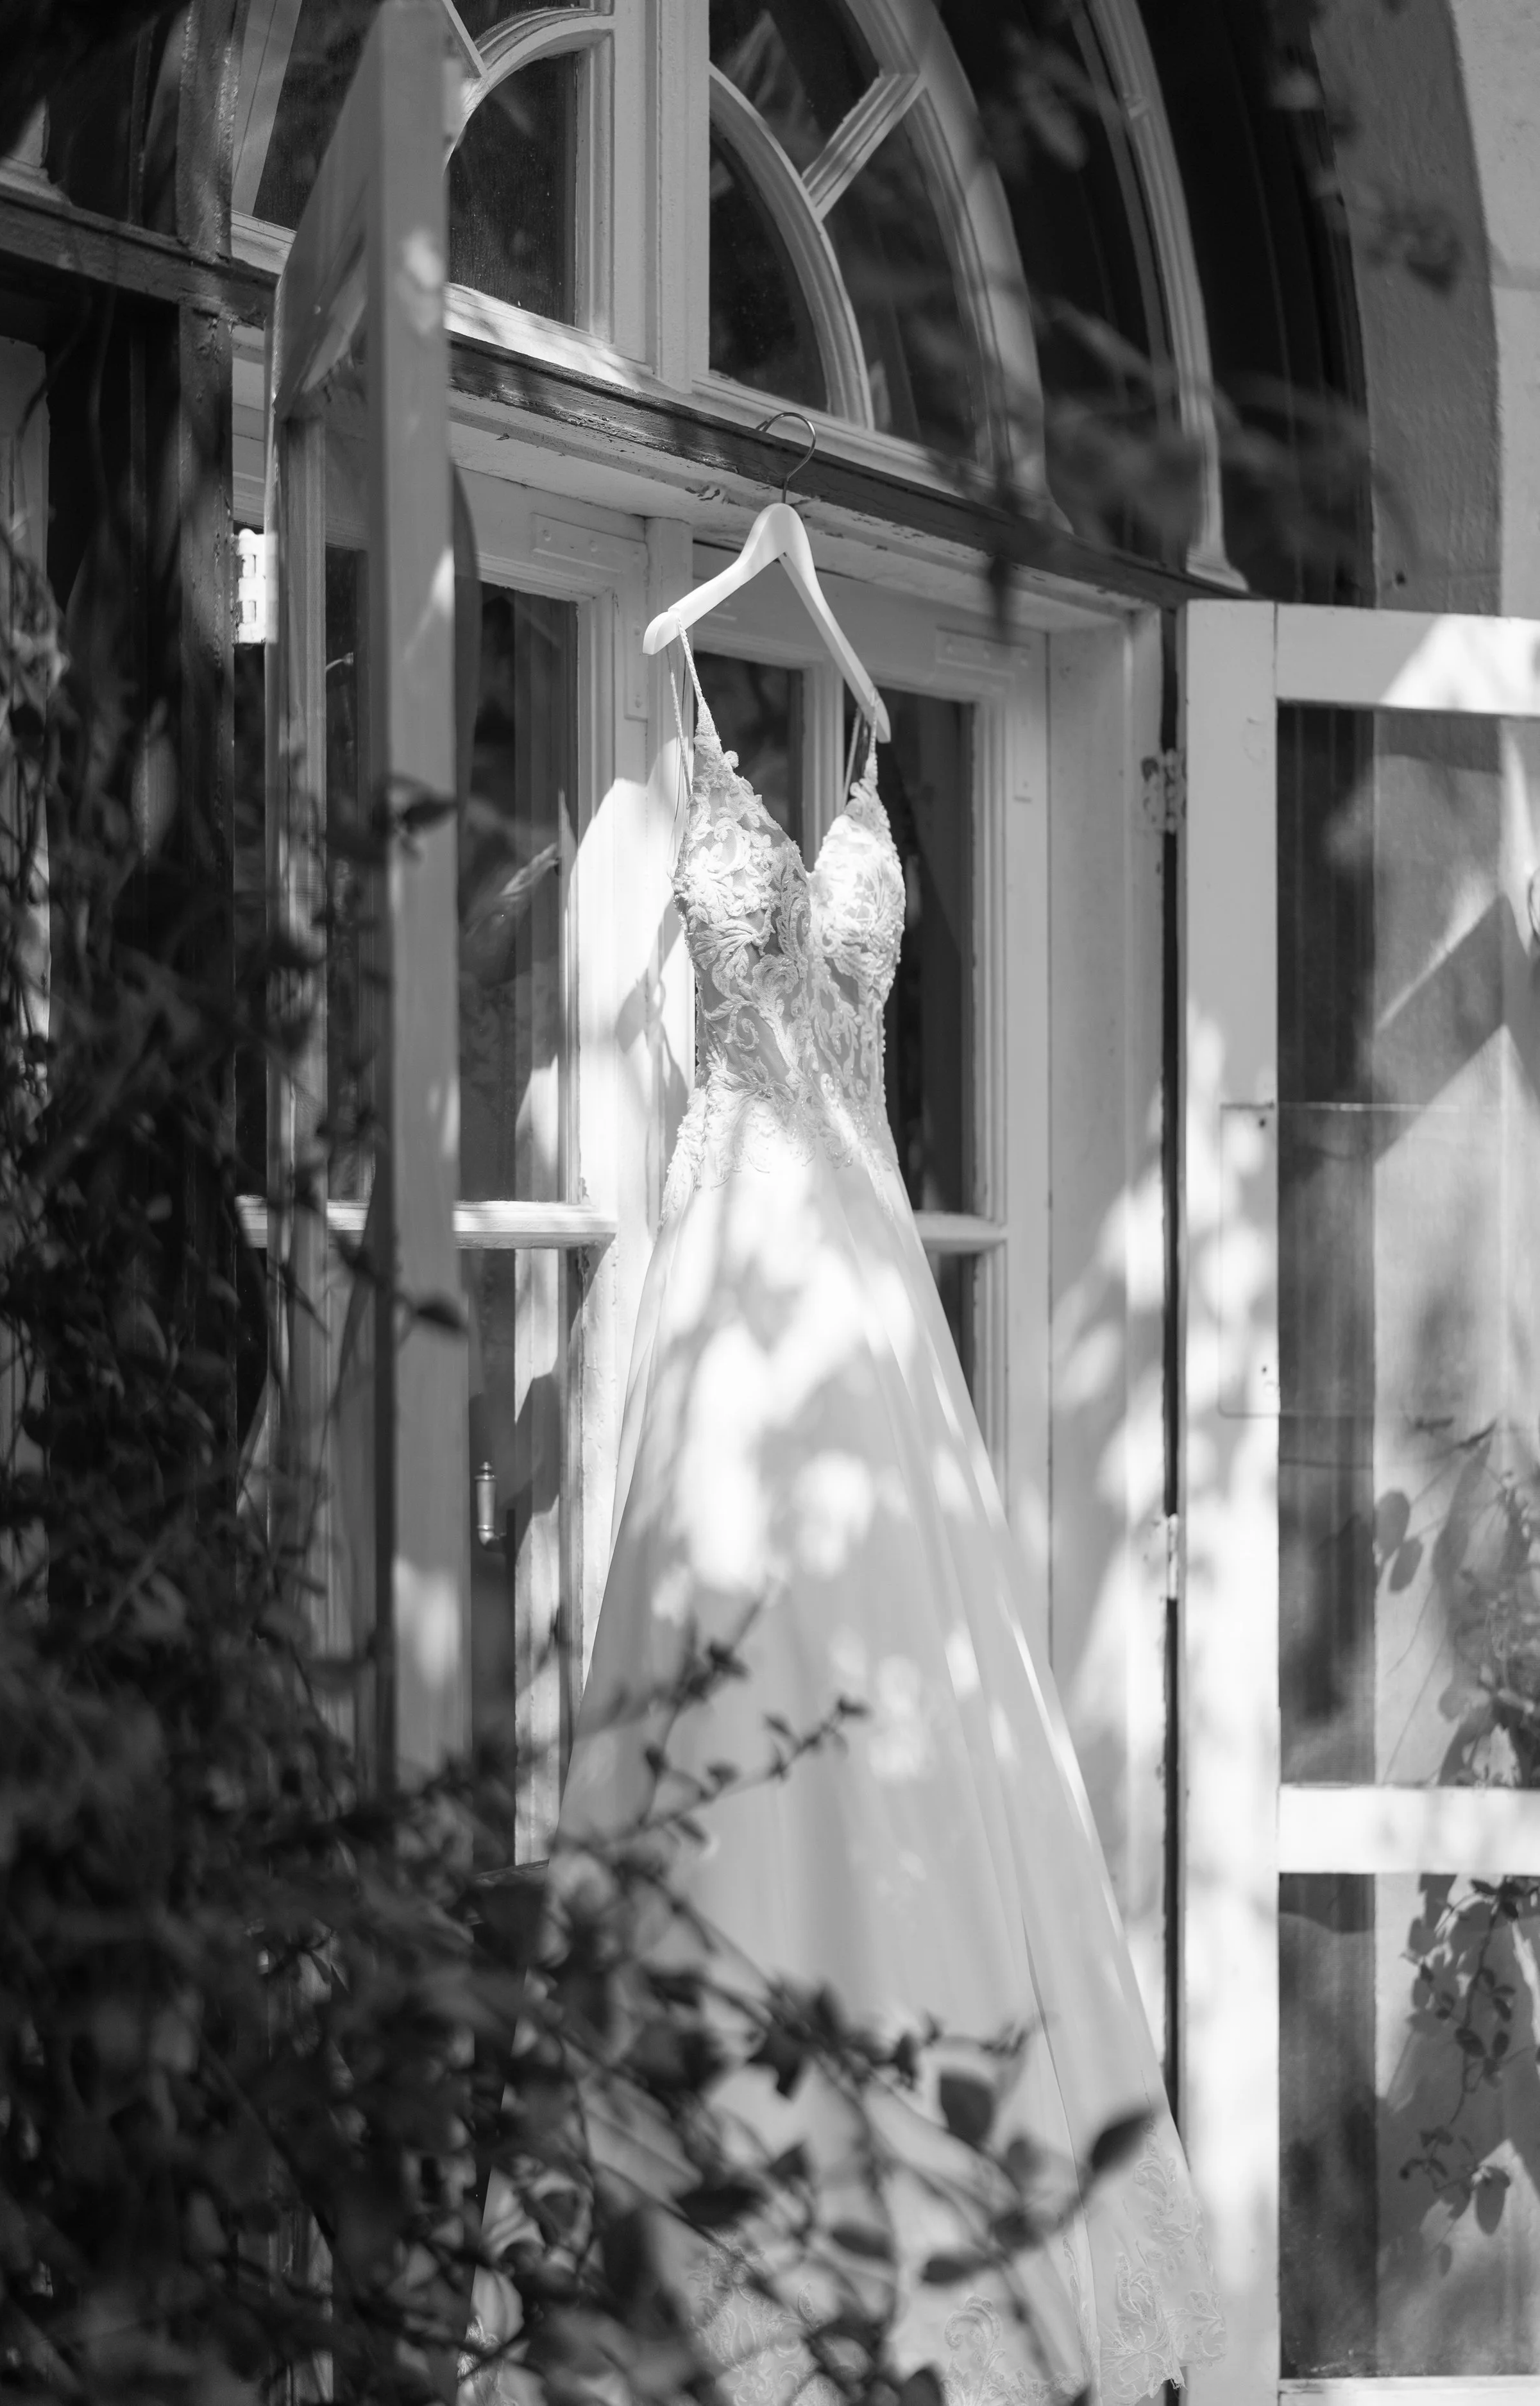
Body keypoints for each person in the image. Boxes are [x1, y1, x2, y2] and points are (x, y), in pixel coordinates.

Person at [477, 645, 1223, 2406]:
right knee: (762, 1711)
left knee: (929, 1736)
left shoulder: (871, 747)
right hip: (752, 1302)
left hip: (875, 1305)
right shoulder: (669, 737)